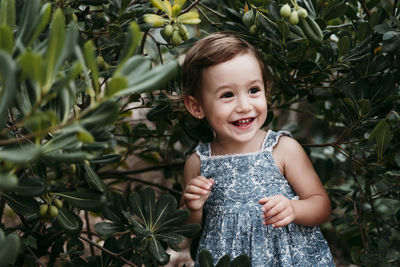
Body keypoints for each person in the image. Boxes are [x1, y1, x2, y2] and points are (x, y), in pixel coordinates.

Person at [179, 32, 335, 266]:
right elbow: (188, 231)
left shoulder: (283, 149)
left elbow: (321, 205)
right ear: (196, 106)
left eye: (253, 90)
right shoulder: (198, 163)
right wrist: (193, 208)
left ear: (266, 90)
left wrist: (294, 208)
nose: (244, 105)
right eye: (227, 95)